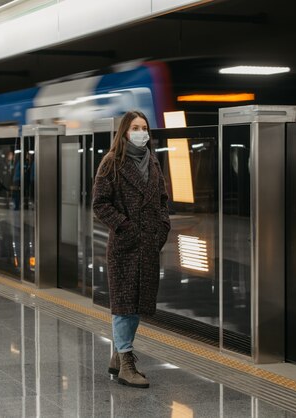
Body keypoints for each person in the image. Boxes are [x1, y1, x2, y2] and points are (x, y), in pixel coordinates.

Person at [92, 110, 171, 388]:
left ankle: (119, 354)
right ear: (125, 132)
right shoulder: (111, 163)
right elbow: (100, 203)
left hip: (148, 245)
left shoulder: (153, 164)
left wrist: (162, 228)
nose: (141, 132)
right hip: (124, 246)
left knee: (138, 304)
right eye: (135, 127)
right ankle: (126, 362)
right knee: (124, 305)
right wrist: (125, 226)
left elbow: (162, 200)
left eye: (144, 127)